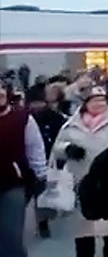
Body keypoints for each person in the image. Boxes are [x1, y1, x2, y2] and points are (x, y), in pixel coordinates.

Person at [51, 87, 108, 257]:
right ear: (86, 103)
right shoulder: (71, 124)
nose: (100, 104)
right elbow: (57, 147)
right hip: (81, 177)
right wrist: (68, 149)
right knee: (82, 221)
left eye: (103, 100)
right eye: (95, 100)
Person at [0, 82, 46, 257]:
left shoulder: (21, 119)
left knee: (11, 235)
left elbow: (35, 147)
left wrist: (41, 174)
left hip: (11, 184)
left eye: (1, 88)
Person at [26, 83, 67, 238]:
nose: (36, 106)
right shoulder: (24, 118)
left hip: (49, 159)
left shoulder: (56, 118)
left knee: (42, 193)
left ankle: (43, 222)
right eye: (33, 103)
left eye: (40, 102)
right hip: (26, 163)